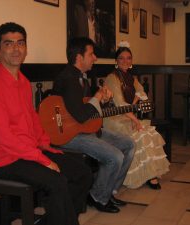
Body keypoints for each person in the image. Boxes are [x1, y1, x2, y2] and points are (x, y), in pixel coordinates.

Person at [0, 22, 92, 225]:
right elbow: (6, 139)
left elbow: (32, 119)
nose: (16, 48)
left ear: (26, 48)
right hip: (6, 160)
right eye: (8, 44)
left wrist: (45, 145)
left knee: (82, 172)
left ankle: (54, 220)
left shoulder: (23, 81)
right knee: (57, 181)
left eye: (20, 43)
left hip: (28, 151)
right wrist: (43, 159)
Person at [52, 37, 135, 213]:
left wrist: (102, 101)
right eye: (91, 54)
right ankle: (98, 197)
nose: (95, 58)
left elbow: (87, 108)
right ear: (79, 57)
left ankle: (108, 190)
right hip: (69, 135)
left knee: (129, 144)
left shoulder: (81, 77)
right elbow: (81, 116)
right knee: (115, 156)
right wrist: (97, 97)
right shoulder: (68, 78)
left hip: (85, 129)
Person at [103, 43, 170, 190]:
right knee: (141, 133)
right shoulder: (111, 78)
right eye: (121, 58)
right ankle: (147, 176)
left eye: (128, 58)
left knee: (148, 133)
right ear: (116, 61)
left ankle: (150, 174)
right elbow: (120, 103)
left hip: (128, 115)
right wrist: (134, 119)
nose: (125, 61)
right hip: (113, 119)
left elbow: (140, 93)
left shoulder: (131, 78)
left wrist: (133, 107)